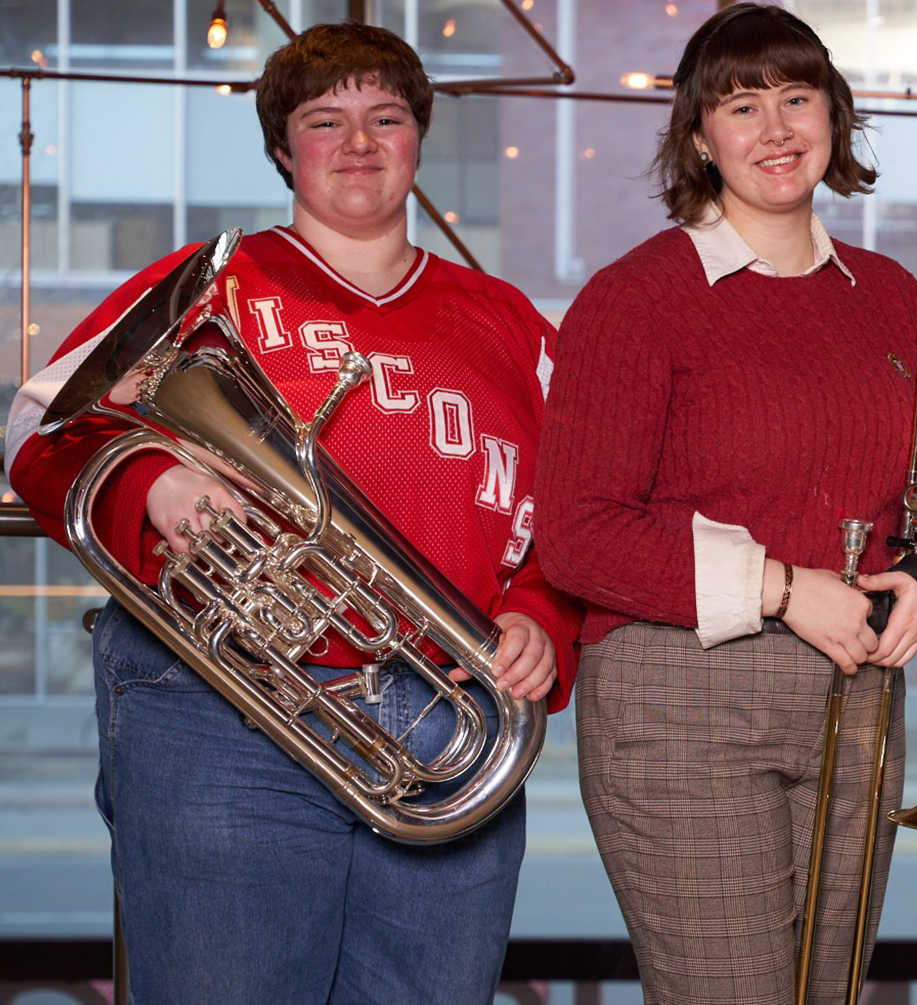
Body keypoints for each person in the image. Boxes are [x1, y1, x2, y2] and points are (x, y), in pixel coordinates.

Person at [3, 23, 581, 1004]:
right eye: (326, 121)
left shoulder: (509, 319)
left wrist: (542, 616)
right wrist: (157, 484)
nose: (358, 142)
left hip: (448, 715)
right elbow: (29, 425)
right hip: (217, 708)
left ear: (417, 138)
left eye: (384, 117)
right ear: (283, 150)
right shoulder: (204, 279)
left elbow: (574, 512)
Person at [532, 5, 917, 1004]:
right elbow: (578, 537)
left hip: (859, 693)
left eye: (798, 98)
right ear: (701, 137)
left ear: (834, 115)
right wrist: (786, 589)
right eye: (742, 106)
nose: (777, 129)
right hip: (680, 698)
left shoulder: (889, 297)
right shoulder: (635, 298)